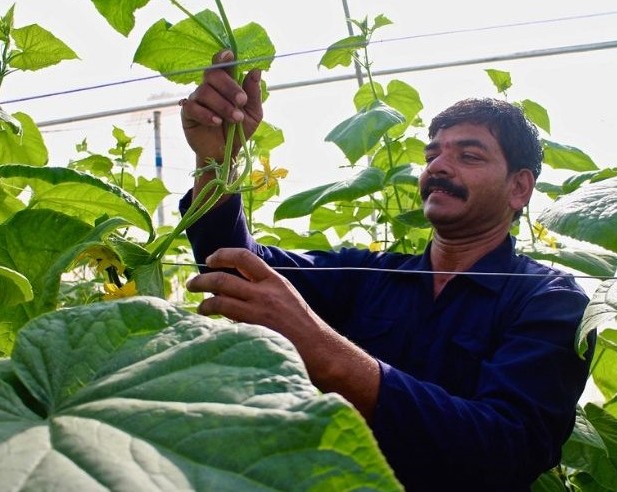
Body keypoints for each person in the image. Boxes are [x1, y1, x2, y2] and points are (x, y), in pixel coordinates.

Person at [178, 50, 594, 492]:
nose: (438, 165)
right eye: (433, 153)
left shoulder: (552, 302)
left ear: (519, 188)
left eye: (468, 156)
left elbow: (504, 450)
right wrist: (216, 162)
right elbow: (238, 266)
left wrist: (322, 349)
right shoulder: (371, 274)